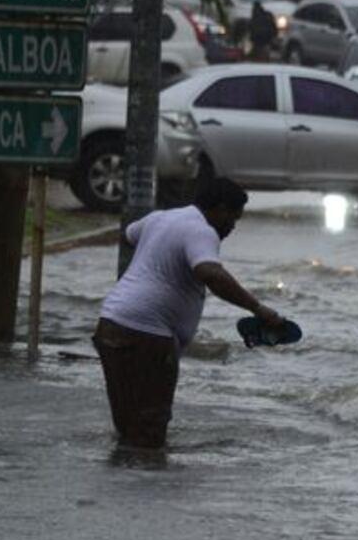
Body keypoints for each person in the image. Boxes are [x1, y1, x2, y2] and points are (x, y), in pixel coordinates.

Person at [92, 177, 284, 450]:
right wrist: (258, 308)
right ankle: (146, 473)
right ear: (219, 208)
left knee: (128, 423)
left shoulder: (160, 218)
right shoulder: (201, 231)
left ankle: (125, 472)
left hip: (112, 324)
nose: (232, 227)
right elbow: (210, 273)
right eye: (233, 218)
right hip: (148, 336)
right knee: (150, 428)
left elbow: (129, 234)